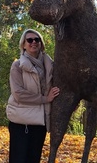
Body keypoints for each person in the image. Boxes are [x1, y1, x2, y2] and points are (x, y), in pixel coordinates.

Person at [6, 29, 60, 163]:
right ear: (23, 45)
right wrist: (45, 99)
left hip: (40, 121)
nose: (33, 42)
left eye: (37, 39)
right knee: (19, 160)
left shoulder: (50, 66)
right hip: (21, 122)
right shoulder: (17, 66)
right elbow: (18, 94)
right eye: (29, 40)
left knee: (34, 159)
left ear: (41, 44)